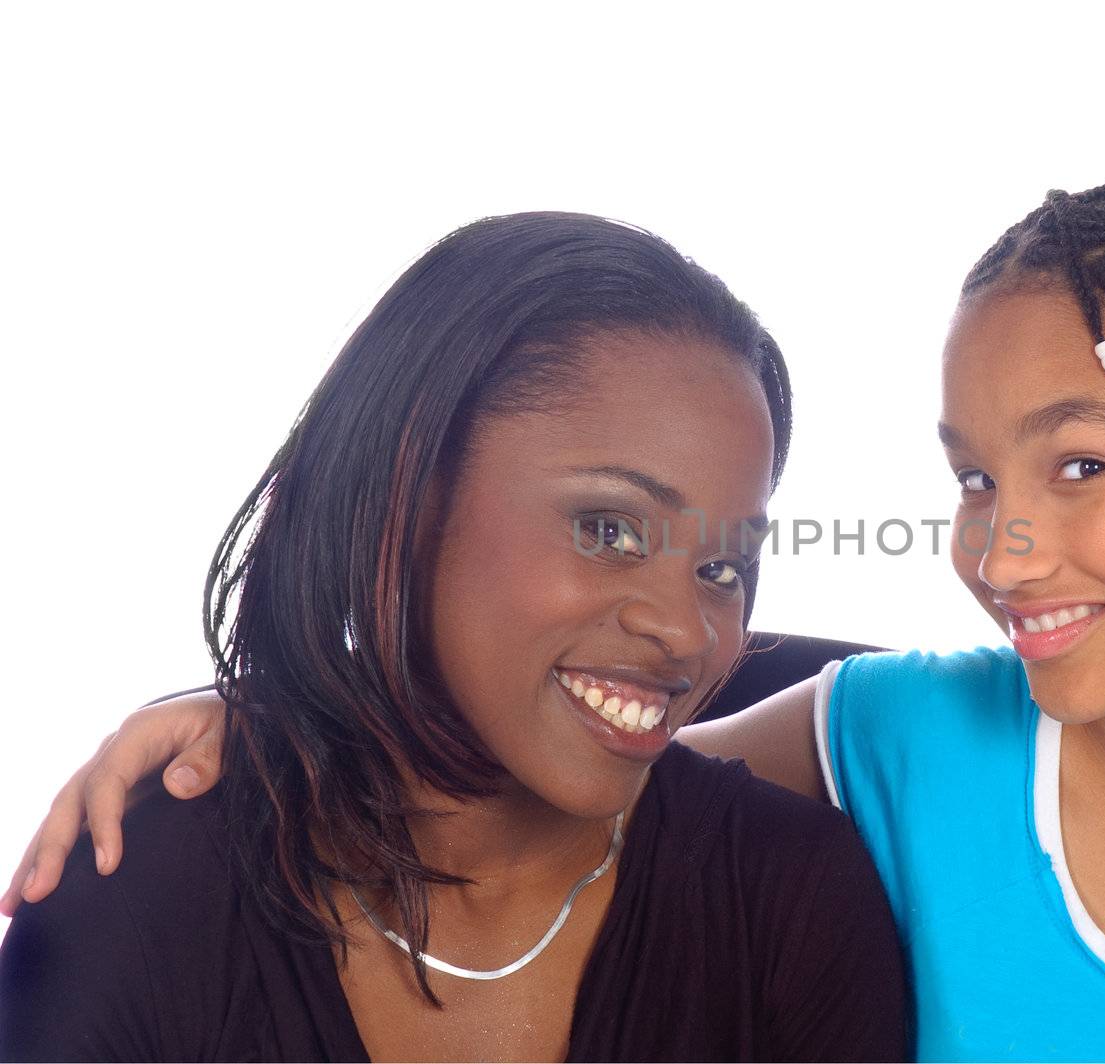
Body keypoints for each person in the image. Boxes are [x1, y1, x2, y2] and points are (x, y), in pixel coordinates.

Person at [8, 158, 1105, 1061]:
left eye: (1077, 465)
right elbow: (584, 748)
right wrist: (268, 716)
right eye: (974, 479)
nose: (1003, 546)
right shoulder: (889, 745)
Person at [0, 213, 907, 1061]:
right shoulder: (152, 881)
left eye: (722, 570)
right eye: (609, 529)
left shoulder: (791, 908)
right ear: (405, 497)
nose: (685, 632)